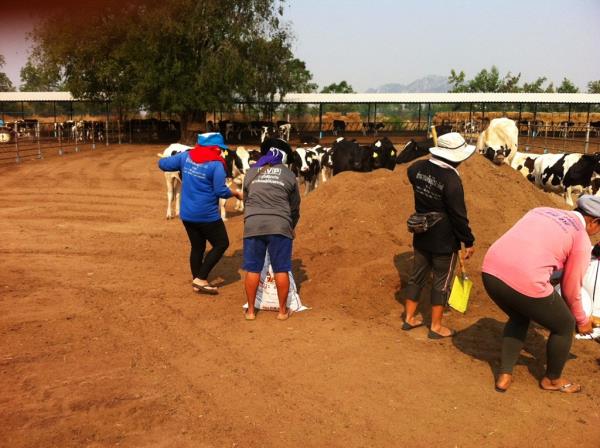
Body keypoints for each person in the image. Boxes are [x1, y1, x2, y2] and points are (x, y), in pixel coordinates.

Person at [482, 196, 599, 393]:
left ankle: (504, 375)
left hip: (490, 272)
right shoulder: (581, 238)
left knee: (519, 315)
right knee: (564, 324)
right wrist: (581, 320)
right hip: (526, 281)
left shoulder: (540, 210)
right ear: (594, 222)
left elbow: (531, 247)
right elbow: (571, 289)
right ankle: (552, 380)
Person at [402, 132, 476, 339]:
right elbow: (458, 215)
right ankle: (435, 326)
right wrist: (468, 240)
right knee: (441, 282)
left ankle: (408, 317)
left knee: (417, 276)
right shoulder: (451, 180)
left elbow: (409, 171)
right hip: (444, 238)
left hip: (421, 230)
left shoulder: (417, 168)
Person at [158, 132, 242, 295]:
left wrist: (180, 162)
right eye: (218, 148)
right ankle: (201, 279)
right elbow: (220, 191)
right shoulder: (216, 165)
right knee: (221, 243)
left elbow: (162, 164)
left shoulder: (186, 157)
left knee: (197, 247)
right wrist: (236, 194)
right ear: (213, 147)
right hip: (207, 215)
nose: (220, 151)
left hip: (187, 214)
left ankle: (197, 281)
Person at [242, 138, 300, 321]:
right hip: (280, 225)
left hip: (253, 224)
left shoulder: (251, 172)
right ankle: (282, 312)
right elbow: (295, 208)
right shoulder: (289, 175)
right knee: (280, 269)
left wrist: (251, 219)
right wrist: (291, 226)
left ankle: (251, 312)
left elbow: (246, 201)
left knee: (253, 269)